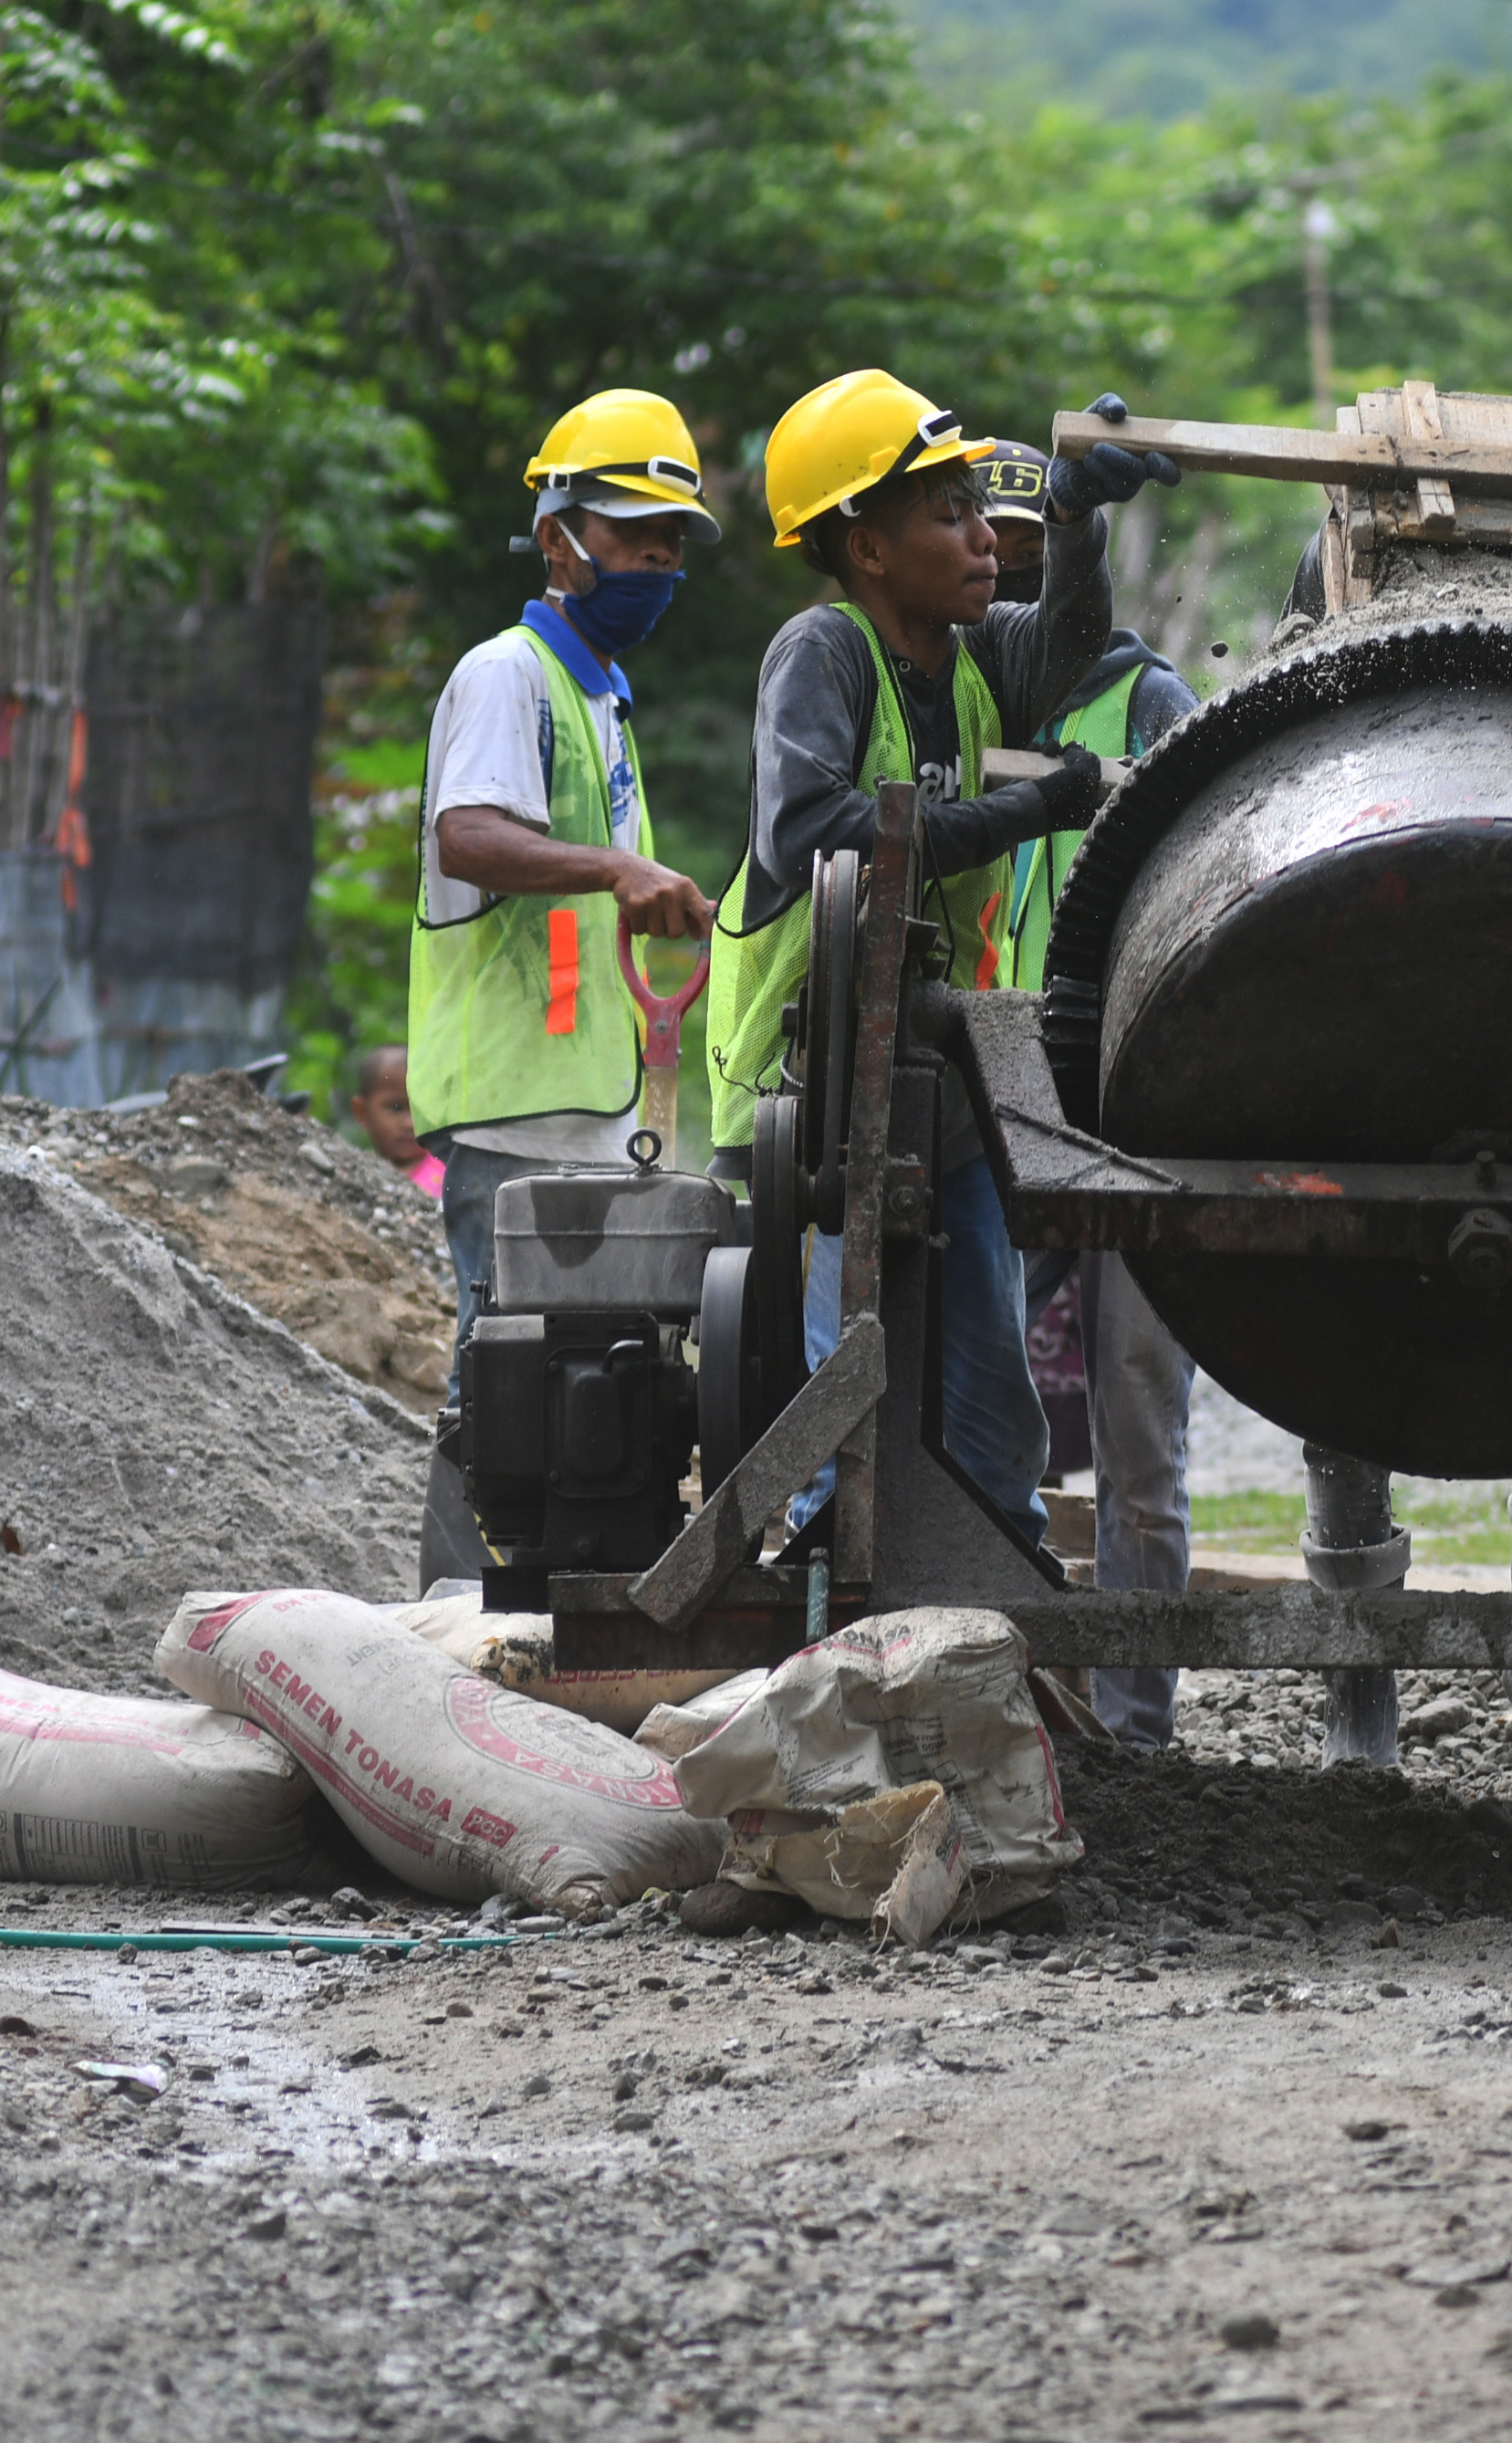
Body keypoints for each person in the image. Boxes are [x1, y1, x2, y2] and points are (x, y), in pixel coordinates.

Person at [706, 370, 1172, 1556]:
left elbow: (1069, 642)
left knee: (993, 1422)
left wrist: (1076, 524)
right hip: (806, 1102)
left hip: (934, 1077)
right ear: (868, 547)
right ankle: (839, 1643)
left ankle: (984, 1639)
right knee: (841, 1412)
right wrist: (1022, 815)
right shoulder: (823, 654)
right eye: (952, 516)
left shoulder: (978, 659)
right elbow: (808, 832)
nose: (985, 542)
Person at [408, 388, 721, 1588]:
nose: (658, 558)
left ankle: (551, 1615)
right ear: (558, 538)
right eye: (635, 530)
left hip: (580, 1115)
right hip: (509, 1108)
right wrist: (618, 866)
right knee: (495, 1382)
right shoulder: (510, 677)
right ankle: (447, 1620)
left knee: (575, 1394)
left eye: (672, 538)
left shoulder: (598, 697)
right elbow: (468, 837)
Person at [981, 430, 1210, 1744]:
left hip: (1124, 1111)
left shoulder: (1152, 704)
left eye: (1032, 558)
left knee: (1139, 1440)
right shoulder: (959, 694)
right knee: (984, 1424)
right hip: (993, 1090)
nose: (1008, 591)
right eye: (992, 556)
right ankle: (1002, 1704)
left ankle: (1133, 1723)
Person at [342, 1043, 441, 1196]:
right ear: (361, 1112)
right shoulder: (354, 1173)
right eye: (396, 1108)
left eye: (422, 1112)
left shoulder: (450, 1171)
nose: (410, 1124)